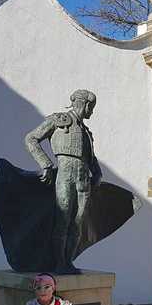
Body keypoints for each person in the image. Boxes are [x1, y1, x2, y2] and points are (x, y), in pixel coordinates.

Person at [24, 89, 102, 274]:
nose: (91, 112)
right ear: (85, 104)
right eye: (91, 107)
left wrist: (97, 173)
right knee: (63, 219)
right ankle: (58, 263)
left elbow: (91, 158)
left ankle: (68, 262)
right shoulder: (58, 120)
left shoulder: (86, 131)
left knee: (78, 223)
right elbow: (31, 138)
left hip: (83, 178)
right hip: (65, 173)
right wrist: (46, 164)